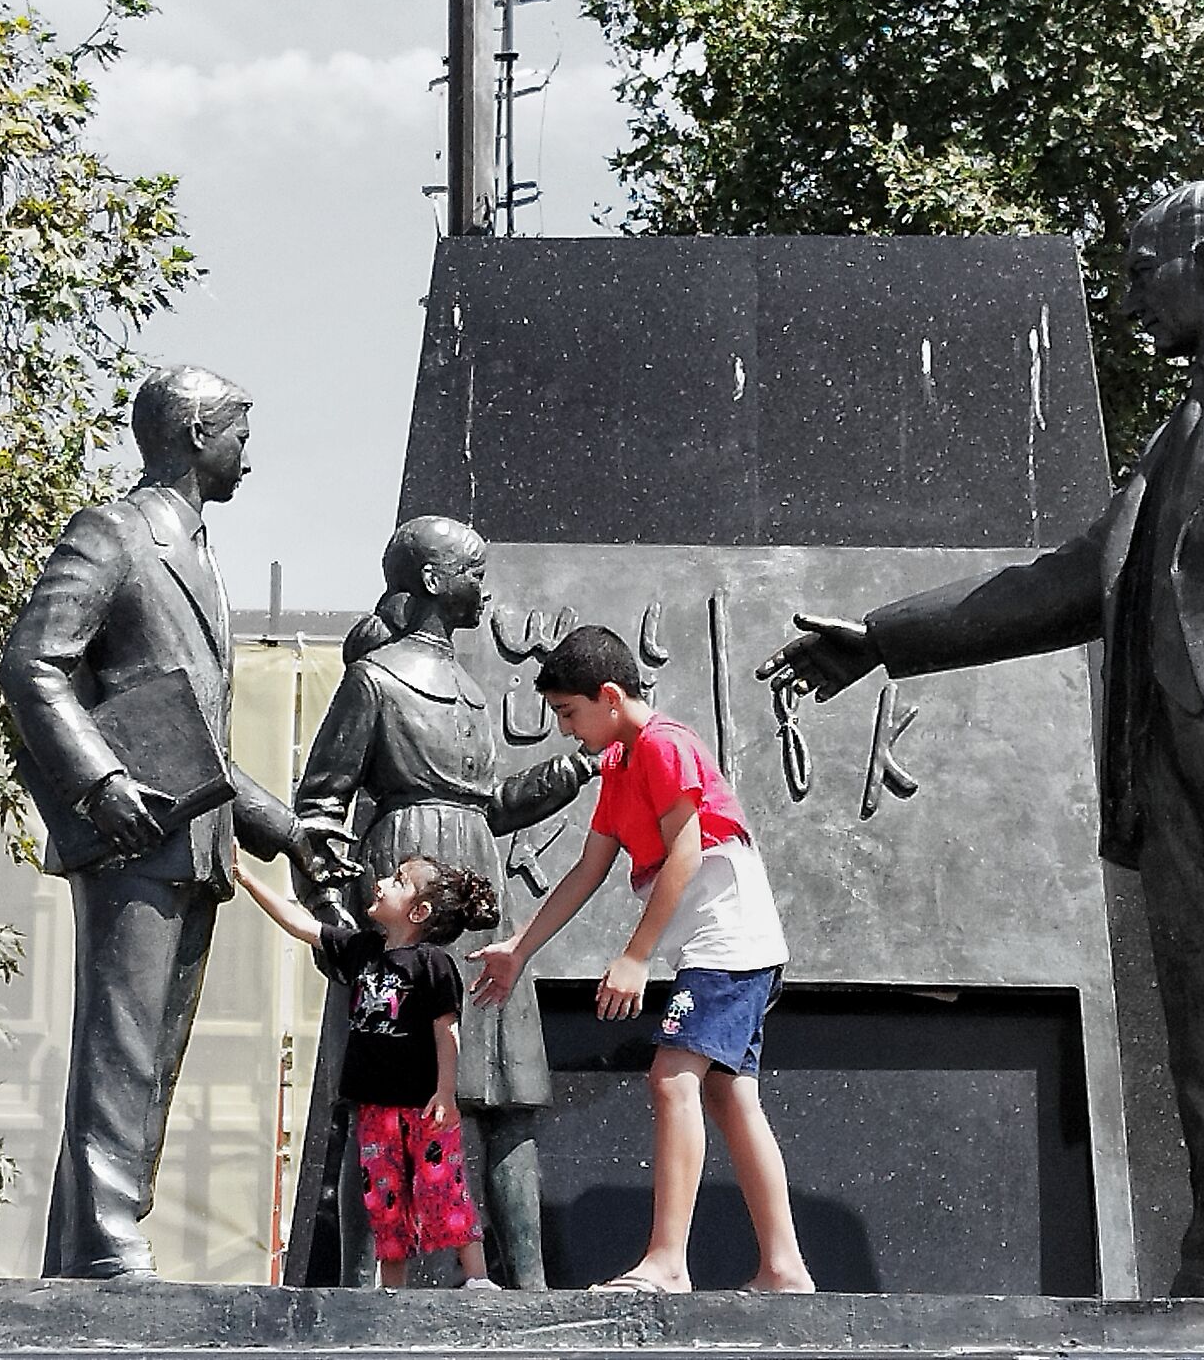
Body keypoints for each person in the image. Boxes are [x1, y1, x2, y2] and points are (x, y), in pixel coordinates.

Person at [759, 181, 1204, 1304]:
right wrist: (886, 639)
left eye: (1142, 273)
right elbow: (1065, 582)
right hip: (1174, 773)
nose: (1129, 301)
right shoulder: (1177, 435)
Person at [0, 363, 356, 1280]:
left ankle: (88, 1247)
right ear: (197, 435)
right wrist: (100, 782)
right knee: (120, 1046)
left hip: (195, 841)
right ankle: (107, 1241)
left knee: (150, 1056)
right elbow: (32, 664)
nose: (250, 454)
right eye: (241, 432)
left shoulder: (197, 553)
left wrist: (282, 828)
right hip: (132, 836)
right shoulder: (115, 533)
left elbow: (194, 737)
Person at [291, 516, 598, 1287]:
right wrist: (331, 909)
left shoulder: (469, 689)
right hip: (403, 870)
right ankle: (360, 1284)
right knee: (382, 1094)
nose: (485, 587)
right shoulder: (374, 680)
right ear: (434, 580)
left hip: (476, 887)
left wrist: (568, 773)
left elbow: (487, 804)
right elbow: (320, 805)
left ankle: (528, 1285)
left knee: (506, 1091)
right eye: (474, 571)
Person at [470, 626, 813, 1294]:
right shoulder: (622, 763)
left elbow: (687, 851)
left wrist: (635, 957)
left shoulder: (664, 744)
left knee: (672, 1080)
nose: (566, 730)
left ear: (608, 696)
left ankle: (668, 1262)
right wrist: (519, 948)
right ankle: (783, 1267)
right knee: (727, 1092)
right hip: (720, 946)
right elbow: (588, 868)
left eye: (569, 712)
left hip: (728, 940)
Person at [238, 854, 500, 1290]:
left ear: (419, 912)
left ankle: (477, 1278)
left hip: (424, 1106)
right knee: (384, 1199)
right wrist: (247, 878)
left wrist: (446, 1092)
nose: (381, 883)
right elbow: (301, 925)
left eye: (398, 880)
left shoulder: (432, 964)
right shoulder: (363, 950)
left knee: (443, 1187)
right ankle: (392, 1288)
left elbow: (446, 1031)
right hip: (375, 1108)